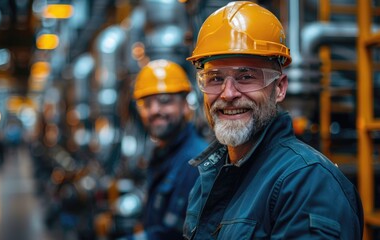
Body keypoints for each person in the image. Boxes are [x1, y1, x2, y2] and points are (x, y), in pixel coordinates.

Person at [183, 1, 364, 239]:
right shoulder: (210, 177)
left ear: (279, 88)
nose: (228, 94)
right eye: (215, 78)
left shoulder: (308, 183)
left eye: (246, 76)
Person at [125, 59, 208, 240]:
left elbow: (173, 235)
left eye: (164, 101)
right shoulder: (161, 153)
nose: (155, 110)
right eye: (147, 104)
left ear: (185, 105)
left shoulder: (195, 161)